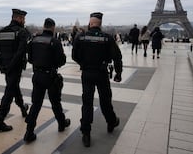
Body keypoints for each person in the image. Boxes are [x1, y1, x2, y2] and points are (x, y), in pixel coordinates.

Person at [72, 12, 123, 147]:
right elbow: (117, 56)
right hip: (101, 73)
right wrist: (118, 73)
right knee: (105, 100)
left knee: (87, 102)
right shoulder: (107, 38)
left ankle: (86, 133)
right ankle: (111, 121)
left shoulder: (80, 37)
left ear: (90, 23)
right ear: (100, 24)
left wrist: (83, 64)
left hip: (87, 73)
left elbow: (74, 55)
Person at [23, 18, 71, 143]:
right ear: (53, 28)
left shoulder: (34, 40)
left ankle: (29, 131)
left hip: (37, 75)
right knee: (55, 102)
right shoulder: (54, 42)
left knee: (36, 104)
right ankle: (61, 123)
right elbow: (61, 61)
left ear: (43, 26)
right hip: (50, 76)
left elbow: (30, 58)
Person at [0, 8, 30, 132]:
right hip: (15, 67)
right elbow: (20, 52)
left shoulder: (0, 32)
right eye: (23, 19)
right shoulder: (21, 32)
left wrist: (2, 66)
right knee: (9, 92)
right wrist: (11, 67)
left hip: (6, 67)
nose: (24, 21)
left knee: (14, 87)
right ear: (18, 18)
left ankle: (23, 109)